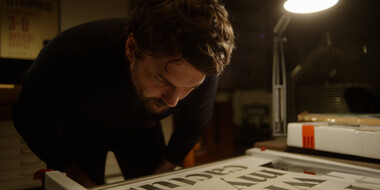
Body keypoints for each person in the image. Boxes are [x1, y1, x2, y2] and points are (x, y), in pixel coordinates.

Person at [12, 0, 235, 187]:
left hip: (142, 129)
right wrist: (73, 174)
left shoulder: (204, 68)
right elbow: (27, 116)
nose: (173, 101)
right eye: (162, 79)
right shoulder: (70, 54)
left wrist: (159, 175)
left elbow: (192, 127)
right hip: (81, 125)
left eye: (190, 88)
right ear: (132, 49)